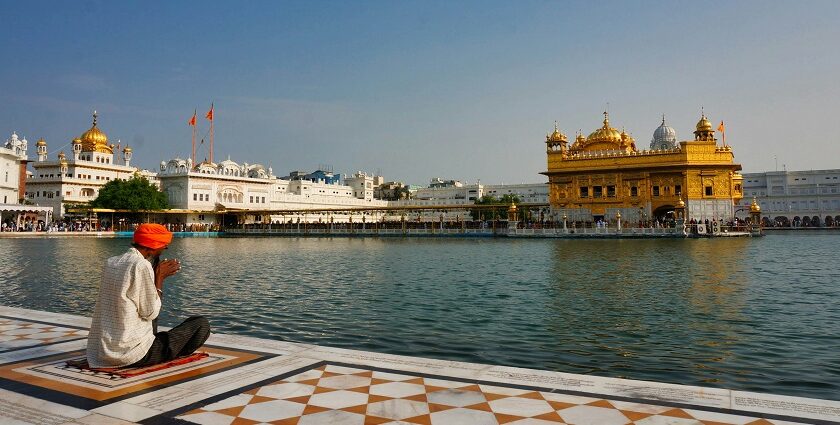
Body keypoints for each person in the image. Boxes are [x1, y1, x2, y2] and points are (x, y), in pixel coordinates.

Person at [86, 223, 210, 368]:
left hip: (103, 353)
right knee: (201, 325)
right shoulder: (141, 265)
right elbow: (151, 313)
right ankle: (165, 355)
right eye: (164, 246)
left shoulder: (111, 262)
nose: (165, 249)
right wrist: (159, 277)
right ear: (154, 245)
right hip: (132, 355)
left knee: (157, 331)